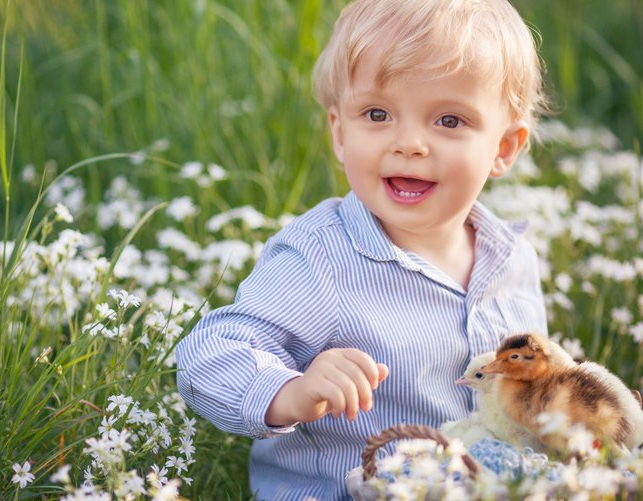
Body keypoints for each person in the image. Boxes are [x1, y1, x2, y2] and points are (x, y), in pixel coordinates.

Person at [176, 0, 550, 498]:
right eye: (378, 114)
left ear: (504, 149)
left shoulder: (512, 259)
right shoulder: (322, 257)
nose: (410, 143)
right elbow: (209, 354)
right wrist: (291, 392)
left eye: (449, 121)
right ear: (339, 132)